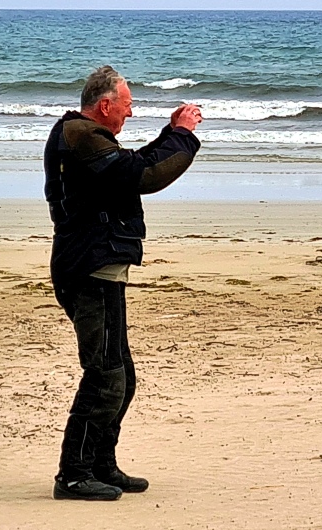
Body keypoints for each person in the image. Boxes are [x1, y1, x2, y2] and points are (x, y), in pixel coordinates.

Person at [43, 65, 203, 501]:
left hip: (99, 265)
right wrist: (184, 136)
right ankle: (73, 475)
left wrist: (173, 134)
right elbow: (144, 177)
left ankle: (100, 464)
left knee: (121, 375)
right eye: (128, 106)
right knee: (105, 374)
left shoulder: (87, 138)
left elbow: (134, 166)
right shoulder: (81, 137)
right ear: (106, 105)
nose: (130, 114)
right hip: (89, 268)